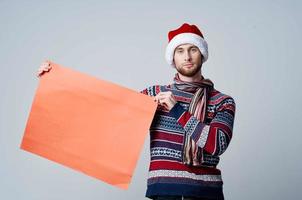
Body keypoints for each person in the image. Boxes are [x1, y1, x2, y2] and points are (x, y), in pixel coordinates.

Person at [37, 23, 236, 200]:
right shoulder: (154, 94)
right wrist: (55, 82)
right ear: (172, 58)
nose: (187, 56)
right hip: (164, 190)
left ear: (202, 54)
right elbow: (106, 113)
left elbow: (216, 144)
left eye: (193, 49)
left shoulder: (222, 101)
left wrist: (176, 109)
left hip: (205, 193)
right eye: (180, 50)